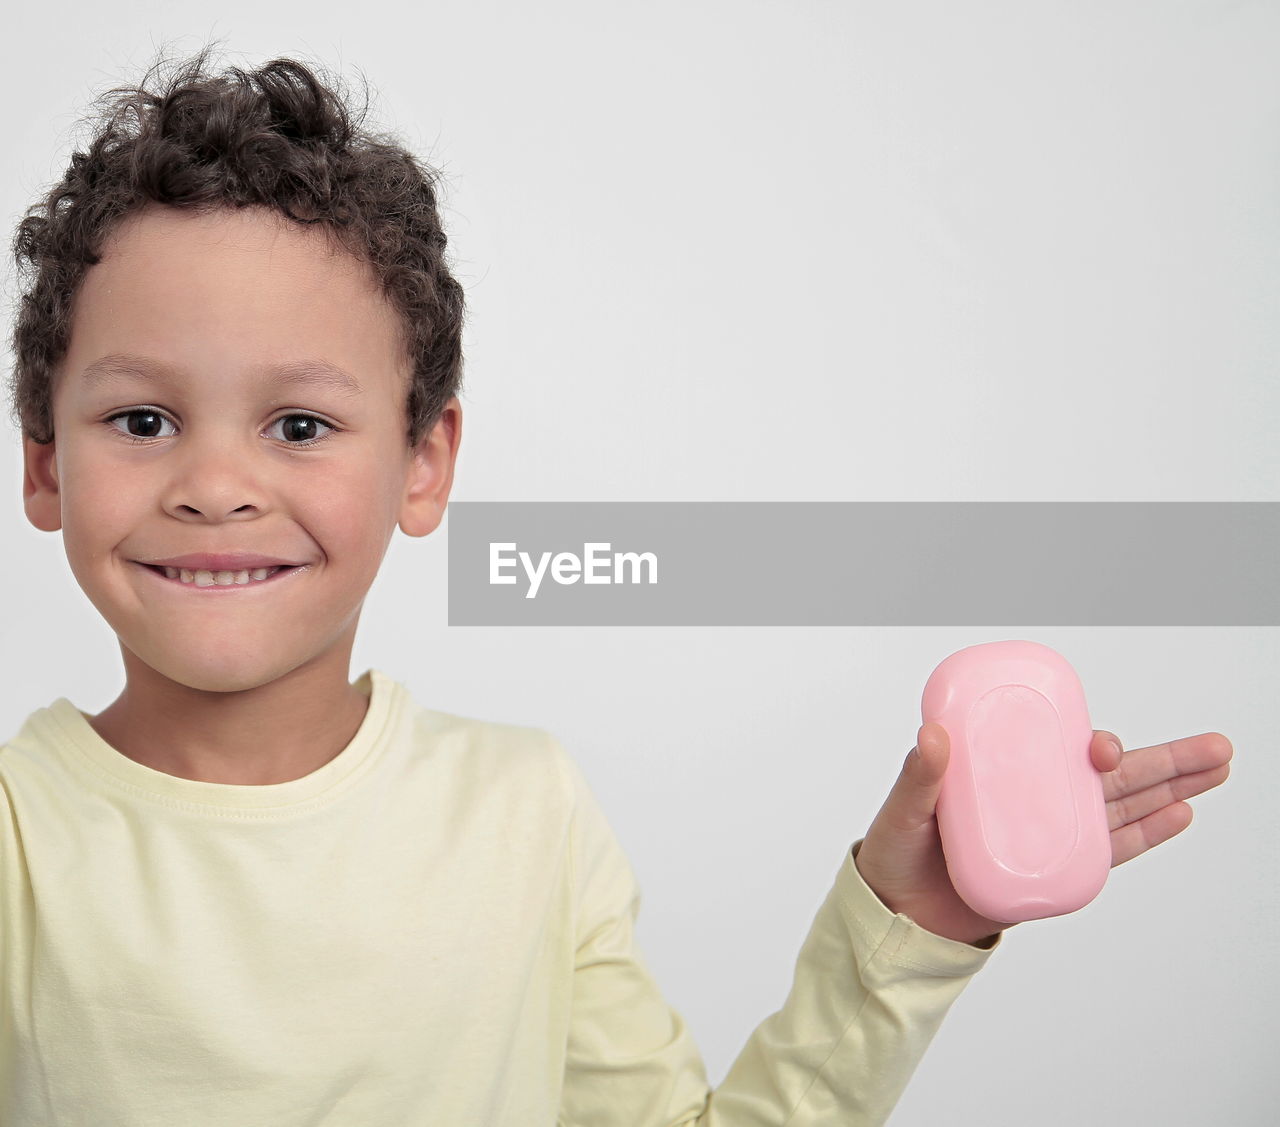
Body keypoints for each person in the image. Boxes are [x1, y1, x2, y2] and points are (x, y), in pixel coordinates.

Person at [2, 44, 1233, 1126]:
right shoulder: (19, 838)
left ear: (423, 464)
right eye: (146, 416)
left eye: (302, 424)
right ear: (46, 463)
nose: (217, 483)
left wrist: (907, 926)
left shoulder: (525, 809)